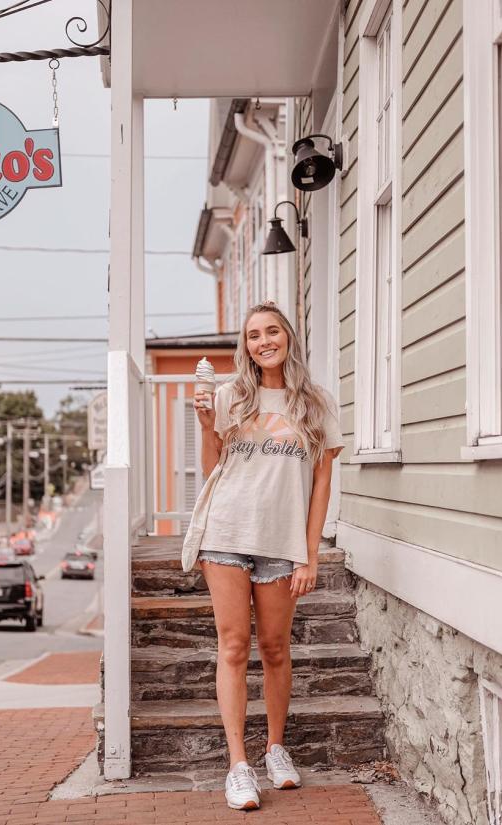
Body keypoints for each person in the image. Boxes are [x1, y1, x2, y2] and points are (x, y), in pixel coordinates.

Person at [185, 300, 345, 811]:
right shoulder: (230, 395)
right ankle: (238, 766)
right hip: (227, 533)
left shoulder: (316, 404)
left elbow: (321, 484)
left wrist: (310, 555)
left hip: (282, 543)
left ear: (288, 337)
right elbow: (213, 466)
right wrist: (207, 424)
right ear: (246, 346)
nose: (263, 341)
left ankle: (276, 748)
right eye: (253, 335)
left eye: (271, 331)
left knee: (274, 649)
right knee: (233, 647)